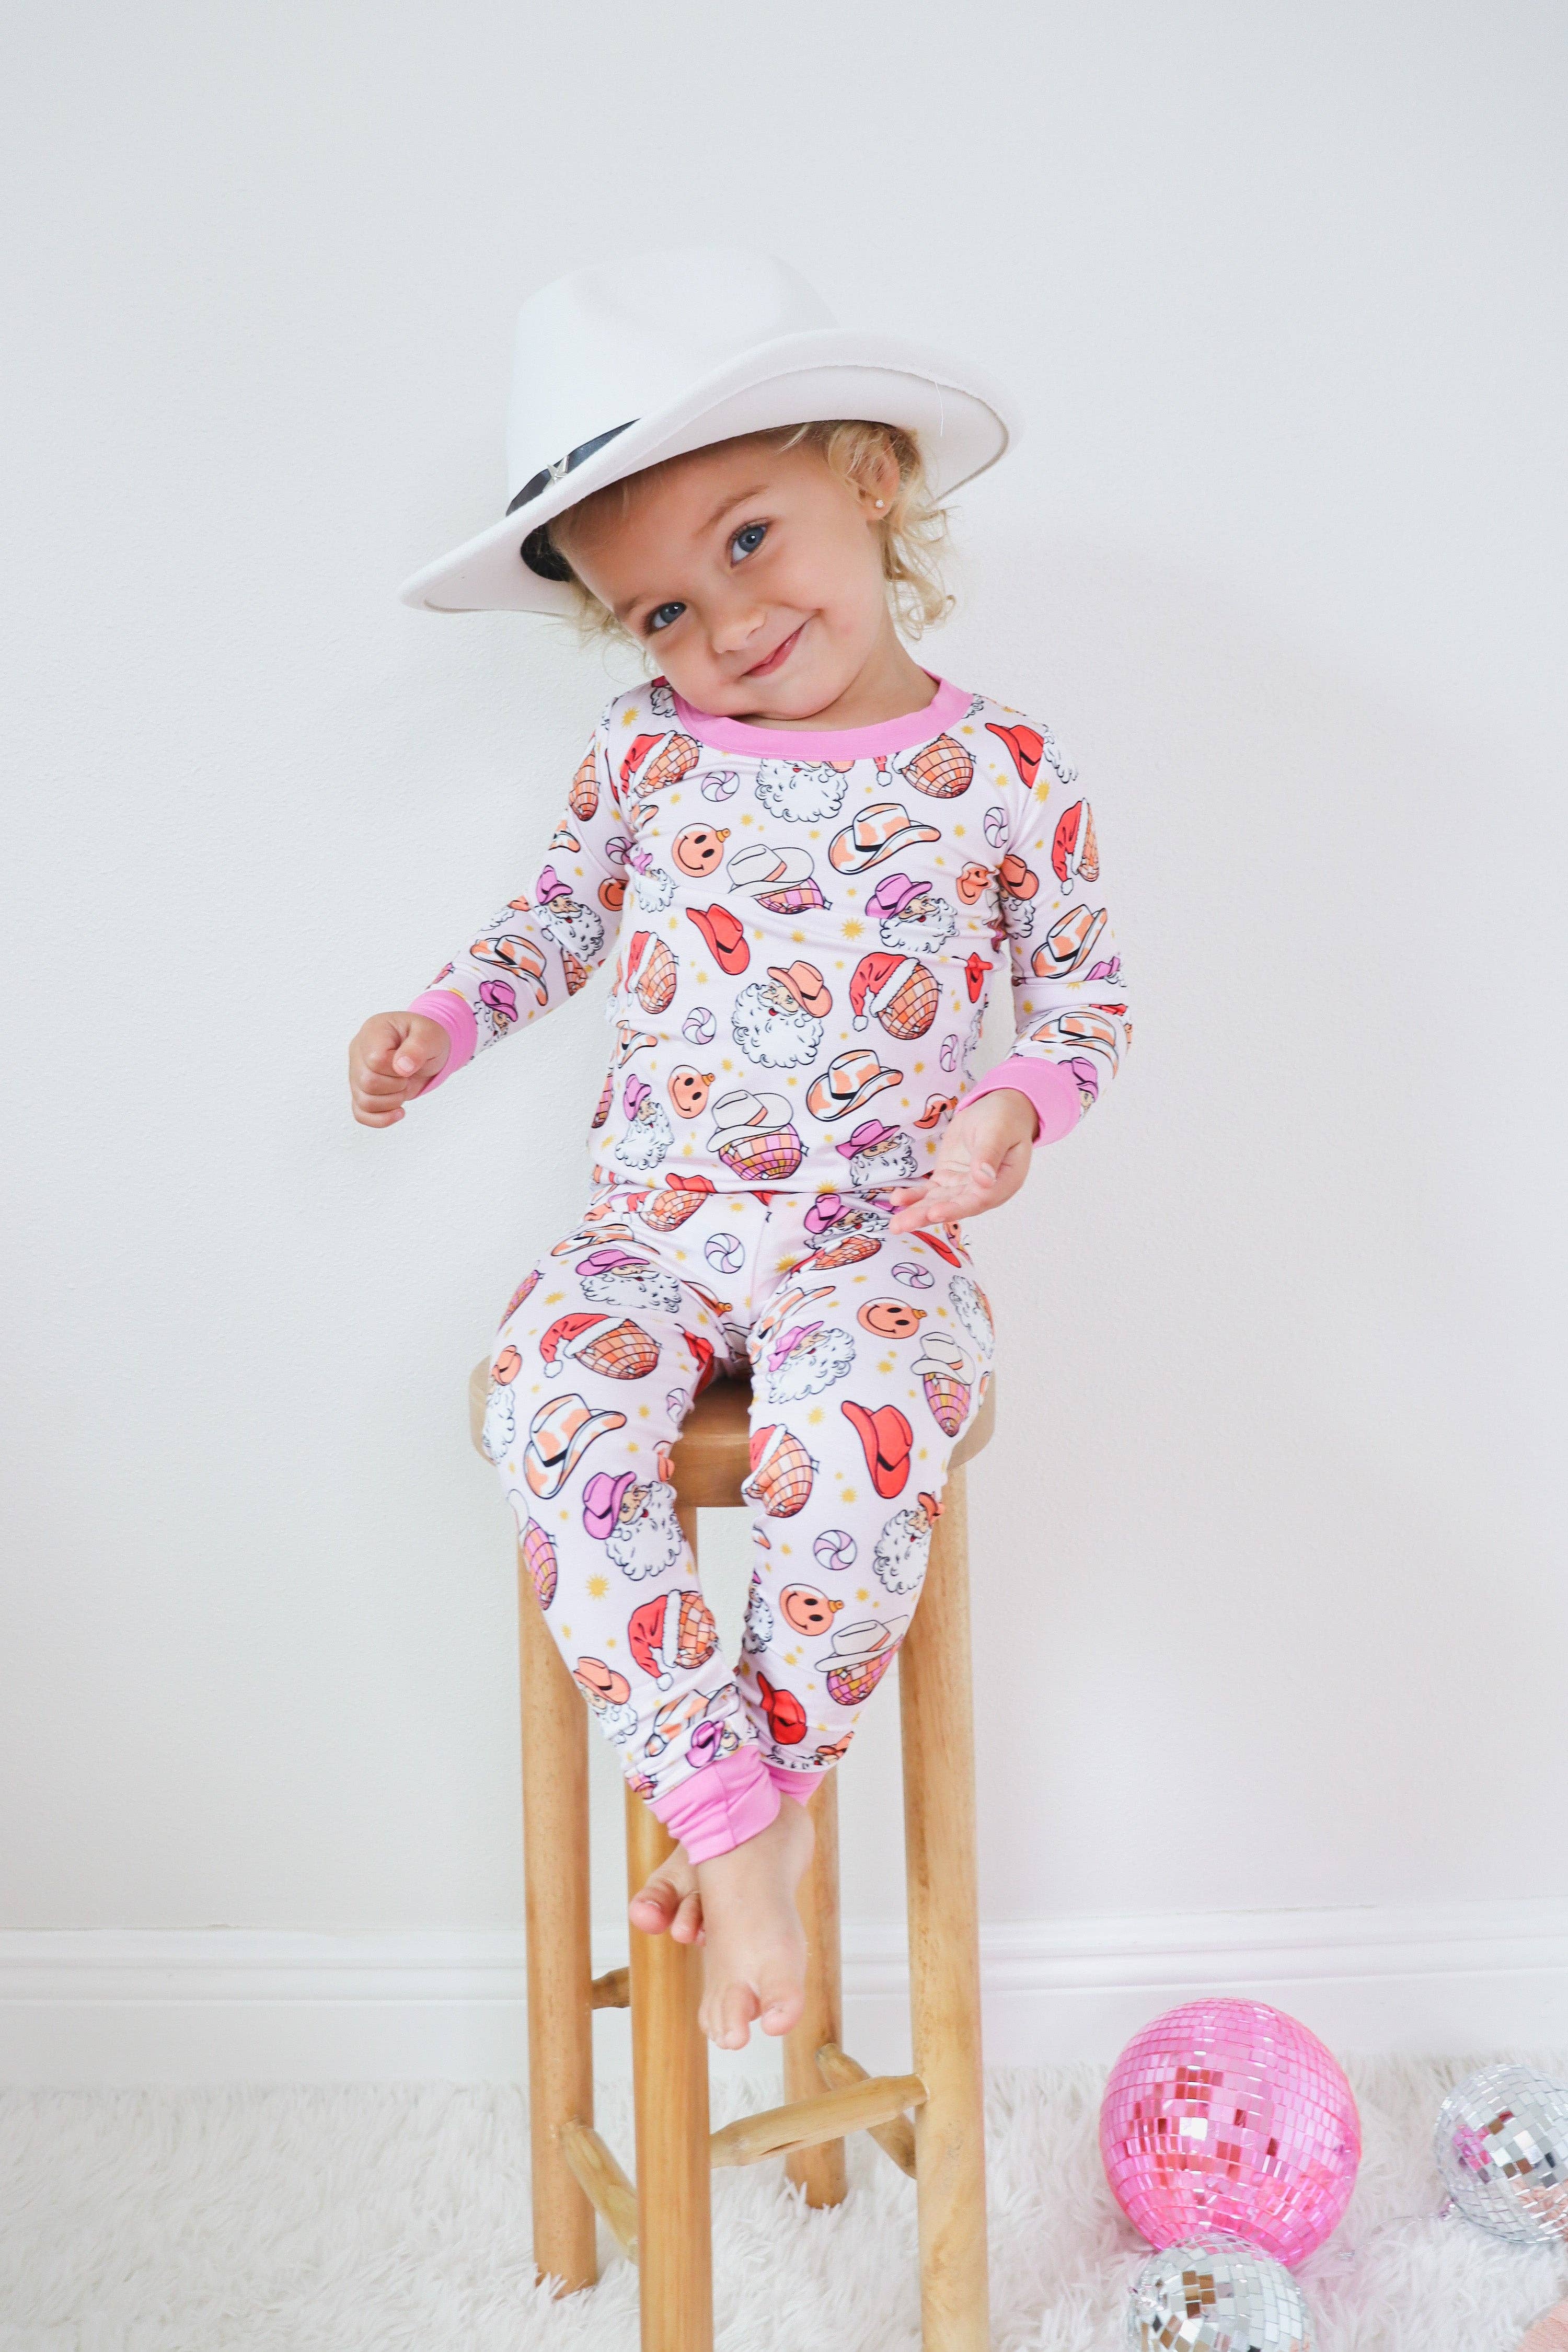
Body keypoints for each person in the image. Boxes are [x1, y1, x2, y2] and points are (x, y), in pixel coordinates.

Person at [348, 247, 1130, 2051]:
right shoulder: (648, 757)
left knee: (850, 1438)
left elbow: (1087, 1002)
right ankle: (731, 1811)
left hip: (877, 1244)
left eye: (750, 540)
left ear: (873, 474)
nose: (725, 626)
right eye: (663, 610)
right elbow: (555, 921)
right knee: (550, 1394)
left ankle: (759, 1801)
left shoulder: (1007, 770)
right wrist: (440, 1022)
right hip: (656, 1234)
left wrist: (1016, 1107)